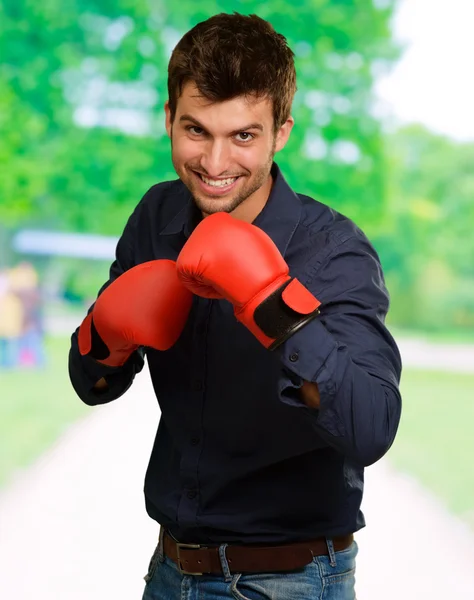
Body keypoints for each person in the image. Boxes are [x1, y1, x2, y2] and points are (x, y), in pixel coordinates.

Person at [68, 12, 402, 600]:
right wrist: (106, 333)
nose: (216, 164)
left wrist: (273, 305)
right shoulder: (157, 217)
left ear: (280, 133)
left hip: (291, 581)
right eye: (196, 131)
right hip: (170, 570)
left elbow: (372, 426)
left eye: (243, 136)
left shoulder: (334, 253)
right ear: (169, 119)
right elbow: (93, 383)